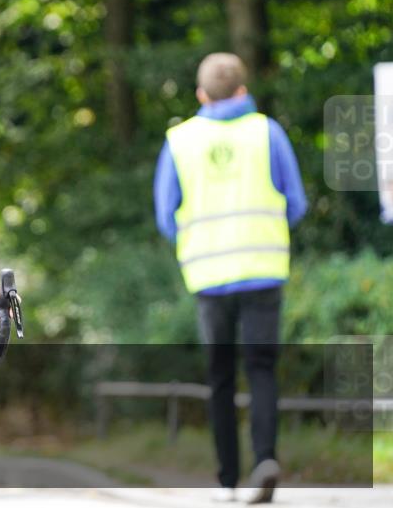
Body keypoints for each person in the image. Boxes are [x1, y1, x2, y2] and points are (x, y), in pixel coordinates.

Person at [153, 53, 307, 504]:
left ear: (201, 94)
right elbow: (295, 202)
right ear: (242, 90)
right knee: (261, 369)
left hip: (209, 276)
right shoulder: (267, 131)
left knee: (219, 376)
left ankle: (227, 482)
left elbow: (166, 216)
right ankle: (266, 459)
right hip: (263, 270)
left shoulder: (179, 140)